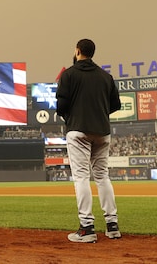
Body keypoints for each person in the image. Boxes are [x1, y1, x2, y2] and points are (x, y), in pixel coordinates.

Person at [56, 38, 122, 243]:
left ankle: (87, 227)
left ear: (77, 51)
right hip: (102, 131)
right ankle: (112, 226)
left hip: (78, 130)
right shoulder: (105, 76)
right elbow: (116, 105)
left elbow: (60, 106)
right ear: (93, 53)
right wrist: (99, 113)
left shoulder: (68, 74)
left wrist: (72, 116)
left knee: (82, 177)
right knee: (102, 177)